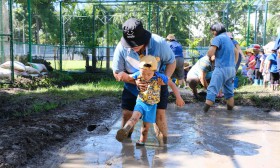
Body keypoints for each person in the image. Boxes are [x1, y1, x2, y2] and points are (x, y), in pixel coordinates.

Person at [112, 18, 177, 146]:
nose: (133, 46)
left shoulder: (158, 43)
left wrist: (165, 79)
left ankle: (163, 147)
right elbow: (117, 73)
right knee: (127, 114)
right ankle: (125, 145)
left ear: (144, 38)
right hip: (132, 84)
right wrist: (134, 80)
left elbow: (172, 62)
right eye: (130, 43)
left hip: (157, 85)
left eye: (136, 43)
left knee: (159, 115)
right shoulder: (121, 48)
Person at [115, 55, 185, 146]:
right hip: (140, 102)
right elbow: (128, 77)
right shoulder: (138, 74)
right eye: (143, 73)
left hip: (152, 106)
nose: (145, 76)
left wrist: (178, 97)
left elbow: (172, 84)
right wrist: (123, 76)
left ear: (155, 71)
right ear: (140, 69)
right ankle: (125, 129)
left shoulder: (160, 77)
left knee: (146, 127)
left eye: (149, 74)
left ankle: (142, 141)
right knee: (134, 118)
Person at [203, 22, 236, 112]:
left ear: (216, 30)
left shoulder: (218, 38)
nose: (212, 33)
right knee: (229, 93)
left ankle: (203, 114)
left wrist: (210, 53)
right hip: (231, 69)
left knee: (212, 90)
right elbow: (236, 51)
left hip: (221, 68)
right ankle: (230, 113)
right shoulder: (229, 39)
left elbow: (210, 53)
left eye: (213, 31)